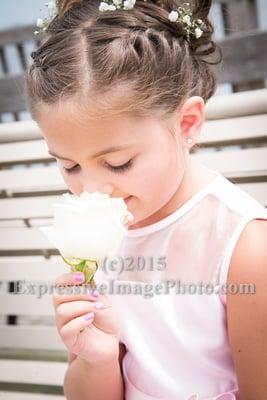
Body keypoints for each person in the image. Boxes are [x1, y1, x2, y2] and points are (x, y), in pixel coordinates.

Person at [26, 0, 267, 398]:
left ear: (187, 123)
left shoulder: (246, 249)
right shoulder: (100, 242)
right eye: (69, 166)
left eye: (118, 163)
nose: (92, 190)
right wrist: (96, 357)